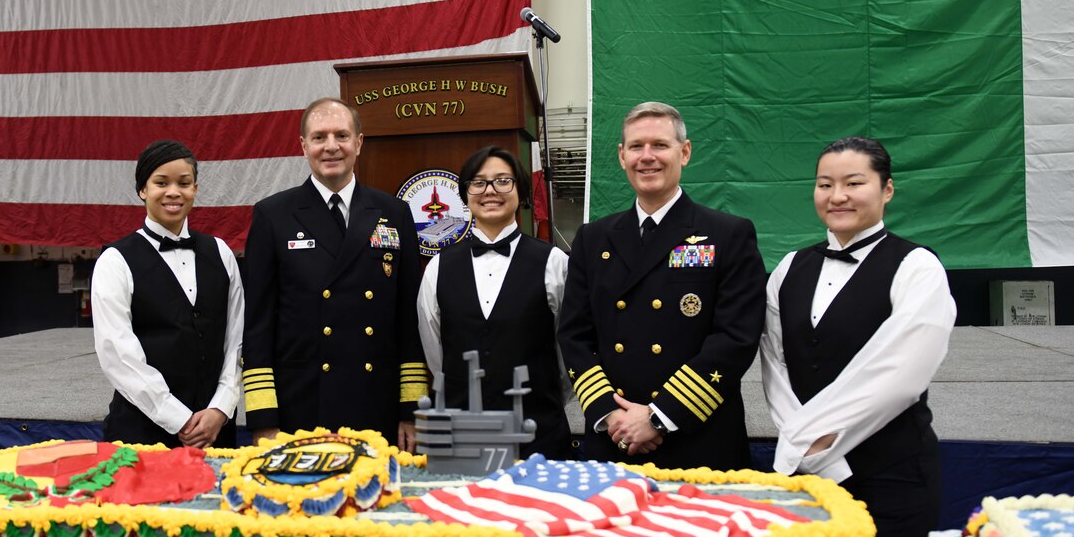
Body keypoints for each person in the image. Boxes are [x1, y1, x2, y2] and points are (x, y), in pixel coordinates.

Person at [758, 136, 954, 537]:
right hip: (807, 473)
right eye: (825, 184)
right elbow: (775, 365)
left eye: (853, 182)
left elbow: (900, 374)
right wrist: (807, 446)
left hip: (893, 475)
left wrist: (824, 443)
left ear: (887, 189)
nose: (837, 196)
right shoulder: (789, 267)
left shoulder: (918, 267)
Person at [556, 101, 766, 469]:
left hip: (698, 439)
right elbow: (574, 334)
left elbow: (736, 337)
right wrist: (611, 414)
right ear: (622, 156)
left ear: (684, 153)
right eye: (636, 147)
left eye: (660, 145)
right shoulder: (593, 239)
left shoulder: (728, 234)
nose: (647, 157)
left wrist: (658, 417)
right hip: (615, 438)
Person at [242, 98, 425, 451]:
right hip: (301, 406)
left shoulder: (394, 213)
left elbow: (408, 320)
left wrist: (411, 409)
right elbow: (258, 324)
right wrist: (264, 418)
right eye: (319, 137)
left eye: (341, 135)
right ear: (303, 146)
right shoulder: (273, 215)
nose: (331, 147)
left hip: (377, 403)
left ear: (358, 143)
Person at [417, 146, 573, 458]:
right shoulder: (438, 267)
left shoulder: (554, 261)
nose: (490, 191)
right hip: (462, 436)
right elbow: (436, 353)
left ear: (522, 191)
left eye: (503, 181)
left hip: (539, 434)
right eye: (479, 182)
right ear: (465, 194)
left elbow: (567, 352)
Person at [91, 140, 242, 449]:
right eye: (161, 183)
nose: (174, 192)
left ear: (195, 189)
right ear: (142, 190)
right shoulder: (115, 260)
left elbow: (236, 339)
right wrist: (179, 419)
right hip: (142, 433)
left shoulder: (221, 253)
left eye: (184, 183)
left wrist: (221, 407)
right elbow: (117, 354)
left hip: (216, 432)